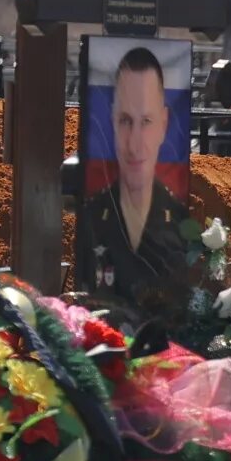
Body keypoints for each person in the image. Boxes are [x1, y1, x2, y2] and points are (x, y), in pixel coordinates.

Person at [80, 44, 191, 321]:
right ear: (112, 122)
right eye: (126, 121)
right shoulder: (93, 215)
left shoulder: (178, 218)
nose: (134, 144)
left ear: (164, 125)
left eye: (147, 121)